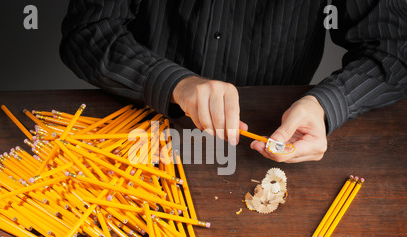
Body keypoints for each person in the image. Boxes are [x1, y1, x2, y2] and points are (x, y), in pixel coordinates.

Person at [59, 0, 407, 163]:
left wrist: (326, 104)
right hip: (143, 130)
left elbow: (392, 50)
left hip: (270, 137)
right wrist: (175, 83)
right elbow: (88, 32)